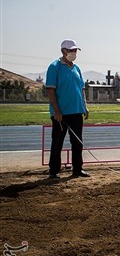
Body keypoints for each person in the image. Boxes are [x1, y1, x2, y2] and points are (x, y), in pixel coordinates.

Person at [45, 39, 90, 178]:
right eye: (71, 50)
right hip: (61, 113)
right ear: (63, 51)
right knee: (58, 142)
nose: (74, 53)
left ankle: (77, 169)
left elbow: (81, 90)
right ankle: (53, 171)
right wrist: (57, 111)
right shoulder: (54, 67)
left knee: (77, 142)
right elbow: (51, 91)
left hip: (77, 111)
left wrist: (85, 106)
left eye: (75, 50)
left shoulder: (77, 69)